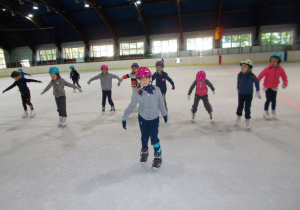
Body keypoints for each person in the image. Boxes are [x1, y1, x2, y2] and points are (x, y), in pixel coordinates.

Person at [122, 67, 168, 170]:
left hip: (154, 118)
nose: (144, 81)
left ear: (150, 78)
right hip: (143, 118)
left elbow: (161, 103)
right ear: (139, 80)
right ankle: (144, 151)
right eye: (142, 79)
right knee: (144, 136)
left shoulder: (156, 90)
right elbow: (131, 106)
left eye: (146, 78)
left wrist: (164, 114)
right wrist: (124, 117)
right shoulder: (137, 93)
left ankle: (158, 156)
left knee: (154, 137)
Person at [257, 52, 288, 119]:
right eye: (272, 61)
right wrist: (257, 82)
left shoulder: (280, 69)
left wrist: (285, 83)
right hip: (267, 87)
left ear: (278, 62)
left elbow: (284, 77)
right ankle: (265, 112)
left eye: (275, 61)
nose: (273, 63)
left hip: (274, 87)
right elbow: (260, 75)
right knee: (268, 99)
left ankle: (273, 111)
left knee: (274, 100)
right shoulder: (268, 69)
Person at [235, 59, 261, 129]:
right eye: (242, 66)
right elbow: (238, 82)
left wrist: (257, 90)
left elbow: (256, 82)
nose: (242, 68)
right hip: (241, 94)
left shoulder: (252, 75)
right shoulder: (239, 75)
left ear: (249, 68)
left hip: (249, 94)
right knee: (240, 106)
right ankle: (238, 117)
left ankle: (247, 119)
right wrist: (238, 87)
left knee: (247, 108)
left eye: (245, 67)